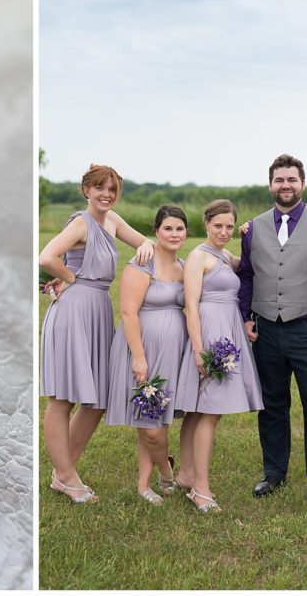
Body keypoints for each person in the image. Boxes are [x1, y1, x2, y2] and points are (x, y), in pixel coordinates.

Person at [236, 153, 307, 508]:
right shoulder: (253, 227)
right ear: (270, 184)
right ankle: (274, 473)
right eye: (279, 180)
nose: (285, 185)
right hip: (267, 330)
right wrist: (245, 317)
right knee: (272, 405)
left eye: (291, 180)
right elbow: (246, 277)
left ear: (302, 184)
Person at [39, 164, 154, 503]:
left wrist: (146, 246)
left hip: (98, 311)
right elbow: (47, 256)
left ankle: (63, 471)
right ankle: (67, 478)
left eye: (112, 189)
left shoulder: (113, 221)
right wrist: (71, 278)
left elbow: (143, 240)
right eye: (100, 187)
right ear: (86, 190)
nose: (107, 194)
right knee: (63, 397)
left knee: (97, 399)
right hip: (74, 310)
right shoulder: (80, 223)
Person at [172, 200, 263, 513]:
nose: (223, 232)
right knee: (209, 411)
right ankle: (200, 489)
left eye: (229, 226)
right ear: (206, 224)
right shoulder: (198, 257)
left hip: (230, 327)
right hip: (210, 332)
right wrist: (199, 349)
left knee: (200, 412)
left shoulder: (224, 255)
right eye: (217, 226)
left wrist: (251, 234)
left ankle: (185, 474)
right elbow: (191, 306)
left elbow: (251, 264)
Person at [104, 205, 188, 505]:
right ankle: (166, 472)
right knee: (149, 425)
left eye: (180, 228)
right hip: (142, 349)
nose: (174, 234)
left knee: (154, 420)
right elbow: (128, 312)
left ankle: (143, 485)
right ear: (156, 232)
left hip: (173, 351)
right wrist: (138, 358)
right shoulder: (142, 263)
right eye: (168, 228)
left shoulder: (185, 266)